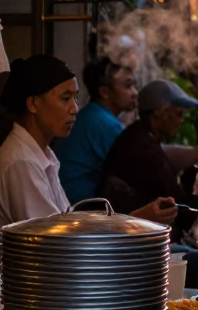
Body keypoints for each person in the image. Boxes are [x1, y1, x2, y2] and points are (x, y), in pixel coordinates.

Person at [0, 55, 177, 273]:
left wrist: (134, 221)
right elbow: (58, 247)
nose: (74, 108)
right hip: (21, 296)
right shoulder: (21, 163)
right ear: (33, 103)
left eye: (75, 98)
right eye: (65, 98)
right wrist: (134, 222)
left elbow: (68, 225)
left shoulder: (42, 155)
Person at [100, 79, 198, 286]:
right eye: (178, 114)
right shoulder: (144, 150)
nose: (181, 120)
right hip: (133, 251)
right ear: (160, 113)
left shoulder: (137, 137)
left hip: (137, 242)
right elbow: (179, 207)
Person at [55, 59, 139, 204]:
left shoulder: (92, 115)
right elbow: (141, 165)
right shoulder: (103, 123)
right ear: (105, 92)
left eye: (134, 86)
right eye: (128, 86)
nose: (134, 93)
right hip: (79, 210)